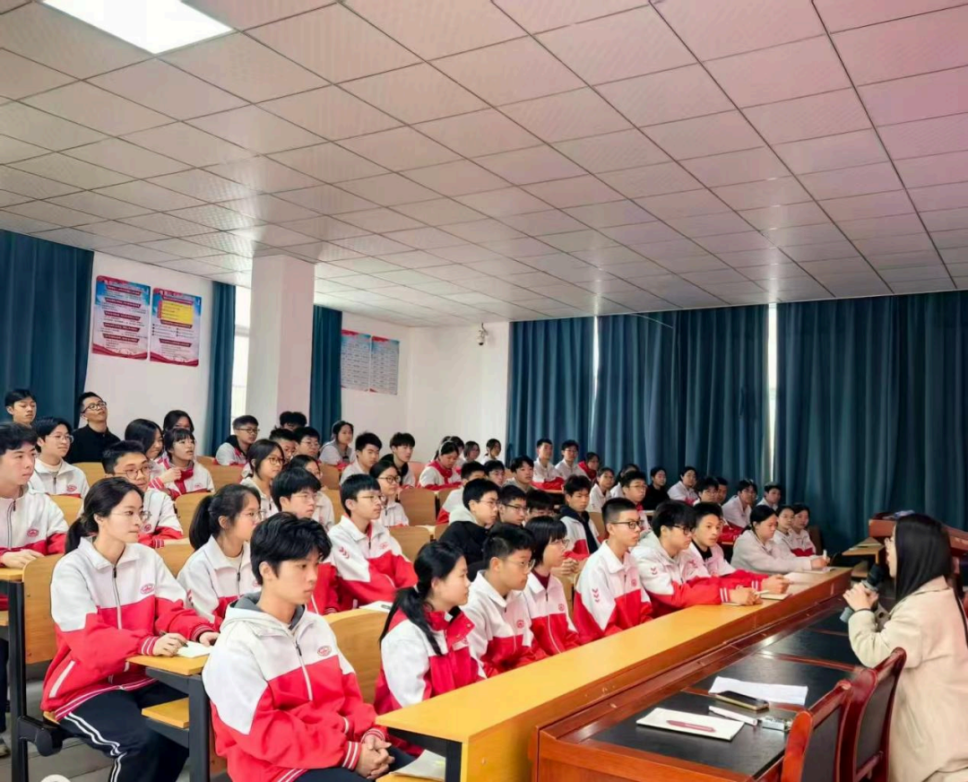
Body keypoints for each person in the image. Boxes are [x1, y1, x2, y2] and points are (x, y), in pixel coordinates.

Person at [203, 515, 411, 781]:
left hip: (338, 748)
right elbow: (265, 733)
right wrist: (350, 754)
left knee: (424, 775)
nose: (313, 577)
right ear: (267, 571)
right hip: (274, 768)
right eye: (301, 566)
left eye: (316, 564)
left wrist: (370, 735)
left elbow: (350, 697)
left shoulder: (316, 626)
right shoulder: (236, 645)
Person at [42, 478, 218, 781]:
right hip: (85, 685)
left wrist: (200, 631)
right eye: (129, 513)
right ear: (100, 517)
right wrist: (146, 644)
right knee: (141, 743)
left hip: (143, 676)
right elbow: (89, 641)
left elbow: (173, 611)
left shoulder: (146, 558)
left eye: (141, 513)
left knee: (188, 728)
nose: (140, 522)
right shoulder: (72, 568)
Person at [845, 514, 968, 782]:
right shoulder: (939, 595)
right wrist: (875, 612)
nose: (887, 547)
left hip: (938, 753)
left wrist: (861, 611)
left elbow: (875, 654)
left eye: (892, 540)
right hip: (953, 731)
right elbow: (905, 639)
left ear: (912, 550)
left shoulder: (921, 609)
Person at [0, 423, 68, 756]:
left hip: (34, 600)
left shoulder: (41, 503)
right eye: (18, 456)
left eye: (32, 454)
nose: (29, 463)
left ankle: (62, 711)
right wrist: (4, 557)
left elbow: (63, 546)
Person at [375, 542, 480, 742]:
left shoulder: (453, 620)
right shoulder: (406, 635)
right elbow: (415, 714)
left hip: (457, 727)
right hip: (419, 742)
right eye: (462, 576)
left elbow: (476, 679)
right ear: (436, 583)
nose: (468, 583)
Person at [633, 501, 761, 616]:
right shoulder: (644, 556)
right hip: (658, 623)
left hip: (683, 616)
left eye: (691, 529)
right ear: (665, 530)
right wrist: (728, 594)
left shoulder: (684, 552)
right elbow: (675, 595)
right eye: (685, 530)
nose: (690, 535)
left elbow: (703, 582)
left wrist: (741, 588)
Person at [463, 524, 546, 676]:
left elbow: (527, 651)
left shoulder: (518, 594)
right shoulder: (472, 605)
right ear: (496, 564)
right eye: (522, 563)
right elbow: (478, 669)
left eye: (529, 563)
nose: (528, 571)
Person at [179, 484, 262, 627]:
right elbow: (208, 620)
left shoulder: (260, 556)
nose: (258, 520)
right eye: (251, 514)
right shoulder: (198, 567)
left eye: (259, 512)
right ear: (225, 522)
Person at [330, 474, 417, 609]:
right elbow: (365, 579)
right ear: (350, 504)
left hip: (390, 605)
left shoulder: (381, 530)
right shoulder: (337, 536)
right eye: (371, 497)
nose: (378, 502)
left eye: (379, 496)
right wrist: (403, 602)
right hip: (355, 612)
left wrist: (414, 595)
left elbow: (403, 566)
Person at [574, 498, 652, 643]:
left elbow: (644, 611)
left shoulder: (630, 560)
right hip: (601, 646)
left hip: (631, 639)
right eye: (630, 524)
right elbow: (606, 628)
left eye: (638, 523)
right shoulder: (595, 568)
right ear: (611, 528)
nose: (637, 529)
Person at [271, 468, 339, 615]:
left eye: (314, 496)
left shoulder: (318, 535)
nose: (312, 502)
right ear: (284, 501)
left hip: (322, 620)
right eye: (305, 496)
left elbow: (330, 583)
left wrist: (331, 610)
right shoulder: (270, 539)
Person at [681, 503, 789, 594]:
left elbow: (731, 574)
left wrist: (765, 580)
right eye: (708, 527)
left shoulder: (716, 549)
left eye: (718, 527)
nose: (715, 532)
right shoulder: (686, 554)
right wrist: (760, 585)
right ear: (693, 529)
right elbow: (708, 585)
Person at [103, 442, 183, 547]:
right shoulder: (99, 499)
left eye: (145, 468)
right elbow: (102, 540)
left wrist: (145, 542)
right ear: (110, 477)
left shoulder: (160, 498)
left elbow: (173, 537)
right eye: (130, 470)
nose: (141, 476)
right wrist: (152, 542)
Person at [523, 517, 580, 656]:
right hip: (540, 664)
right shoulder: (522, 590)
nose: (563, 548)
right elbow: (527, 646)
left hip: (564, 660)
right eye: (556, 542)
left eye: (563, 541)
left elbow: (569, 632)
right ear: (537, 546)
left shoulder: (556, 584)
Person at [731, 506, 828, 575]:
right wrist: (809, 564)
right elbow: (771, 564)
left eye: (775, 525)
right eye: (770, 525)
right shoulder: (745, 543)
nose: (774, 529)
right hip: (743, 587)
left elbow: (788, 558)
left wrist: (814, 559)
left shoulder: (769, 541)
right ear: (756, 525)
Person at [438, 478, 500, 575]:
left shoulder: (496, 531)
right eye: (491, 503)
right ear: (473, 505)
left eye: (497, 503)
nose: (496, 509)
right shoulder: (456, 531)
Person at [29, 416, 89, 498]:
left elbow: (87, 504)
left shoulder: (77, 474)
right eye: (58, 436)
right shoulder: (28, 474)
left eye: (67, 437)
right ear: (40, 441)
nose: (64, 441)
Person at [153, 427, 214, 499]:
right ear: (170, 449)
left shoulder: (202, 471)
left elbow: (212, 499)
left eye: (192, 442)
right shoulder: (157, 470)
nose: (190, 446)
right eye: (182, 442)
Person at [67, 392, 120, 464]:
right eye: (92, 406)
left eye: (101, 404)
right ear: (83, 416)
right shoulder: (74, 439)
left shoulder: (115, 441)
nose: (99, 408)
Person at [240, 439, 285, 522]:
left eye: (280, 460)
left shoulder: (278, 489)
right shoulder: (244, 491)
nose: (278, 464)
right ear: (254, 463)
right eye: (272, 459)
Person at [289, 455, 336, 529]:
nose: (314, 477)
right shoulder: (289, 497)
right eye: (309, 473)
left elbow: (330, 529)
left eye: (317, 473)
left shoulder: (324, 499)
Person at [558, 474, 598, 561]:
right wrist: (591, 560)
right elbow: (566, 553)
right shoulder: (564, 522)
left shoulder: (587, 518)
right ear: (568, 498)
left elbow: (597, 543)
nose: (584, 500)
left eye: (586, 496)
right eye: (579, 496)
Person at [372, 460, 409, 528]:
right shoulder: (368, 508)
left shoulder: (398, 508)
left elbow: (405, 531)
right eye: (389, 478)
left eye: (396, 478)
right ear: (375, 480)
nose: (394, 483)